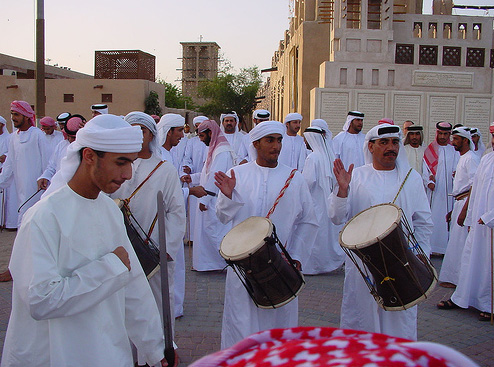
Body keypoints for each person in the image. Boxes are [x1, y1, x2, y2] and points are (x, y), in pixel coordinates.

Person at [1, 114, 169, 367]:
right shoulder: (43, 217)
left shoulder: (110, 210)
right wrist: (110, 268)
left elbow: (134, 286)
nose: (127, 174)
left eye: (131, 163)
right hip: (58, 355)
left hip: (109, 352)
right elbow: (41, 300)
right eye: (120, 162)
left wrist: (155, 347)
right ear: (89, 156)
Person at [214, 120, 318, 349]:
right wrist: (229, 196)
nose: (276, 146)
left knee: (279, 327)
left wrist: (296, 258)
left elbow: (309, 221)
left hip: (280, 266)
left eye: (279, 140)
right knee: (242, 323)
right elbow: (222, 217)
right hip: (242, 266)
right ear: (256, 144)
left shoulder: (294, 178)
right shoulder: (237, 174)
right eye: (270, 140)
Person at [330, 123, 432, 340]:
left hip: (402, 261)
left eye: (395, 142)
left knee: (400, 320)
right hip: (364, 264)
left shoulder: (411, 178)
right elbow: (337, 217)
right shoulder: (355, 177)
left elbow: (423, 222)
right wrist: (342, 191)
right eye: (384, 142)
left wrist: (422, 256)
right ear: (371, 147)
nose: (391, 147)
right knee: (362, 316)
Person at [111, 112, 186, 364]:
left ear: (151, 136)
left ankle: (159, 357)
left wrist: (167, 249)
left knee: (156, 306)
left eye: (140, 131)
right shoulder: (117, 168)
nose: (135, 136)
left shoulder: (165, 170)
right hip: (120, 248)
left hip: (155, 250)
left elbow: (176, 212)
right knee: (122, 305)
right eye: (130, 131)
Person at [437, 125, 494, 322]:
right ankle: (462, 297)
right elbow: (476, 190)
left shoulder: (473, 158)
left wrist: (490, 216)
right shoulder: (487, 159)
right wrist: (467, 216)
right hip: (477, 220)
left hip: (490, 222)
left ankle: (488, 305)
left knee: (488, 264)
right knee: (471, 259)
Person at [183, 120, 234, 271]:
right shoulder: (215, 148)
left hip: (215, 198)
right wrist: (192, 178)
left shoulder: (222, 152)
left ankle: (225, 264)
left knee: (215, 233)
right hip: (209, 196)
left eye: (202, 136)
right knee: (207, 232)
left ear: (211, 133)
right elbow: (207, 173)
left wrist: (205, 198)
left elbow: (215, 177)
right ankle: (208, 264)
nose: (200, 139)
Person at [439, 127, 479, 288]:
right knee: (455, 244)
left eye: (455, 139)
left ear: (465, 140)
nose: (452, 142)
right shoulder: (463, 157)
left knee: (461, 245)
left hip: (466, 205)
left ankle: (461, 281)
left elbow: (475, 186)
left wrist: (464, 212)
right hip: (459, 203)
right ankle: (454, 279)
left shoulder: (471, 158)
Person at [302, 120, 344, 274]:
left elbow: (307, 182)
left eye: (306, 139)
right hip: (326, 200)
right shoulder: (328, 155)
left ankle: (314, 266)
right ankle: (327, 263)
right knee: (325, 233)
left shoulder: (312, 158)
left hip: (315, 202)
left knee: (315, 234)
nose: (305, 142)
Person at [423, 121, 458, 255]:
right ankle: (432, 248)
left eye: (446, 134)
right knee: (433, 217)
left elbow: (457, 167)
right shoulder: (430, 149)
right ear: (437, 133)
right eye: (441, 133)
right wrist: (428, 181)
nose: (443, 136)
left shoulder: (454, 150)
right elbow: (425, 169)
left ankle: (445, 249)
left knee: (447, 218)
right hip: (435, 192)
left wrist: (456, 175)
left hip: (450, 190)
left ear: (449, 134)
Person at [37, 115, 85, 192]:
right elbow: (52, 166)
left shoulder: (89, 149)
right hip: (59, 190)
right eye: (68, 136)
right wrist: (45, 177)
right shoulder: (62, 145)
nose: (70, 139)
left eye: (73, 137)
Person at [0, 116, 17, 230]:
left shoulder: (8, 138)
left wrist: (4, 157)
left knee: (8, 199)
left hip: (5, 171)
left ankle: (6, 222)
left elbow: (8, 154)